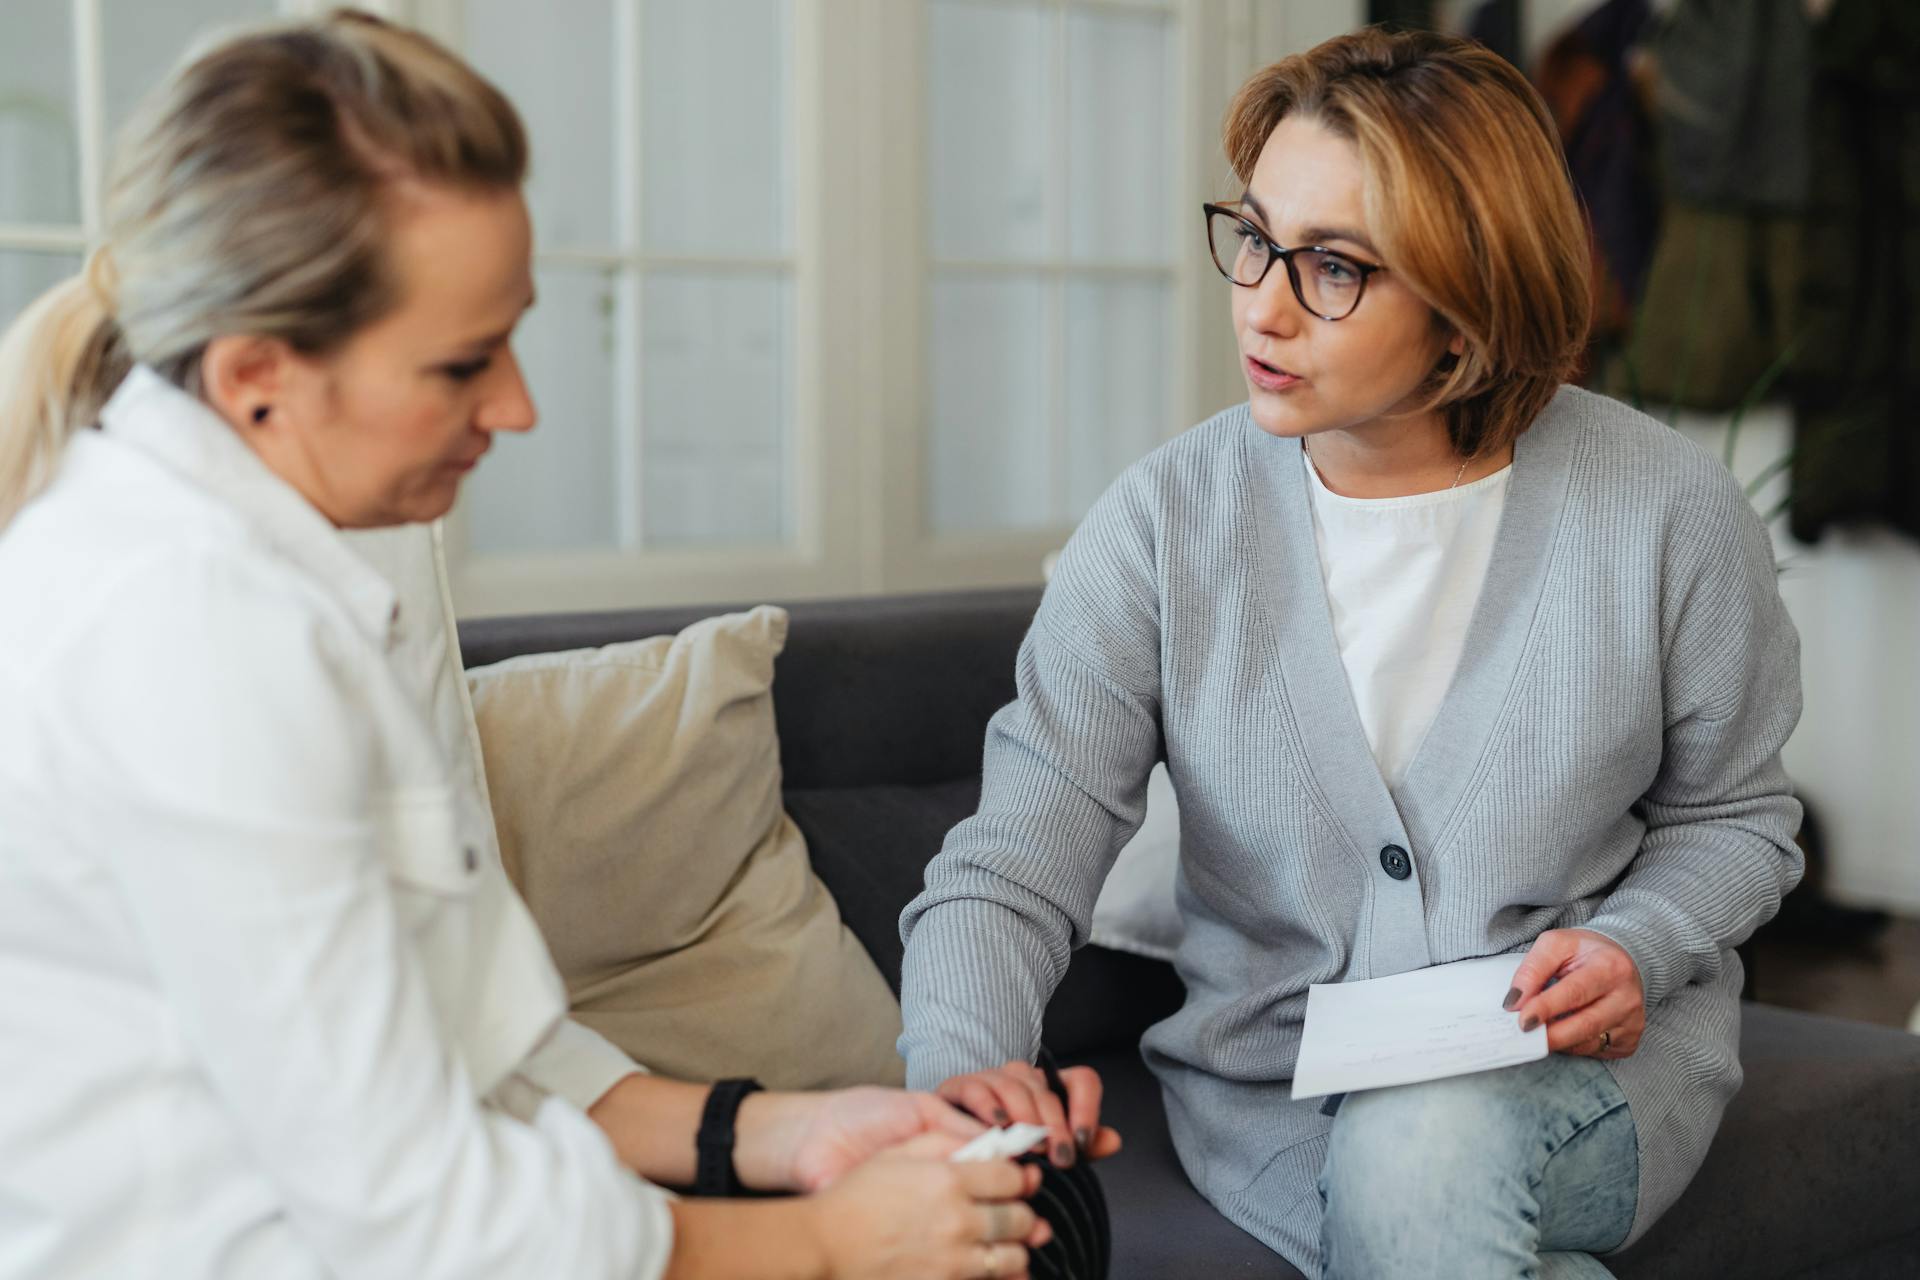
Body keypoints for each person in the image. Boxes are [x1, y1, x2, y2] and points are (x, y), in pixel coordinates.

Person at [0, 12, 1049, 1279]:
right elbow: (418, 1215)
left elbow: (478, 1052)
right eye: (461, 364)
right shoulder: (193, 637)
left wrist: (789, 1134)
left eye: (513, 334)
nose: (517, 405)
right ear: (257, 374)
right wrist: (826, 1242)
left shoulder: (305, 554)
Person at [898, 26, 1803, 1280]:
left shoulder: (1664, 512)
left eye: (1334, 266)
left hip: (1582, 1083)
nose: (1262, 302)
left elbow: (1740, 818)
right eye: (1257, 237)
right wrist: (960, 1074)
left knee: (1421, 1141)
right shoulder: (1164, 525)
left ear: (1468, 301)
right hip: (1267, 1103)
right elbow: (1011, 864)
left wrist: (1635, 942)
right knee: (1416, 1176)